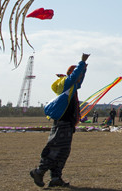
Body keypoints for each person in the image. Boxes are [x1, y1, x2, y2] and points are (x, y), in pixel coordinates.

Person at [30, 53, 89, 188]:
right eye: (79, 73)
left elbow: (79, 80)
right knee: (54, 149)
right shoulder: (67, 84)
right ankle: (39, 171)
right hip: (62, 123)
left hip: (68, 124)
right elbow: (75, 77)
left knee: (63, 152)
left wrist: (84, 68)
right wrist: (82, 62)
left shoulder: (73, 87)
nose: (79, 77)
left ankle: (56, 177)